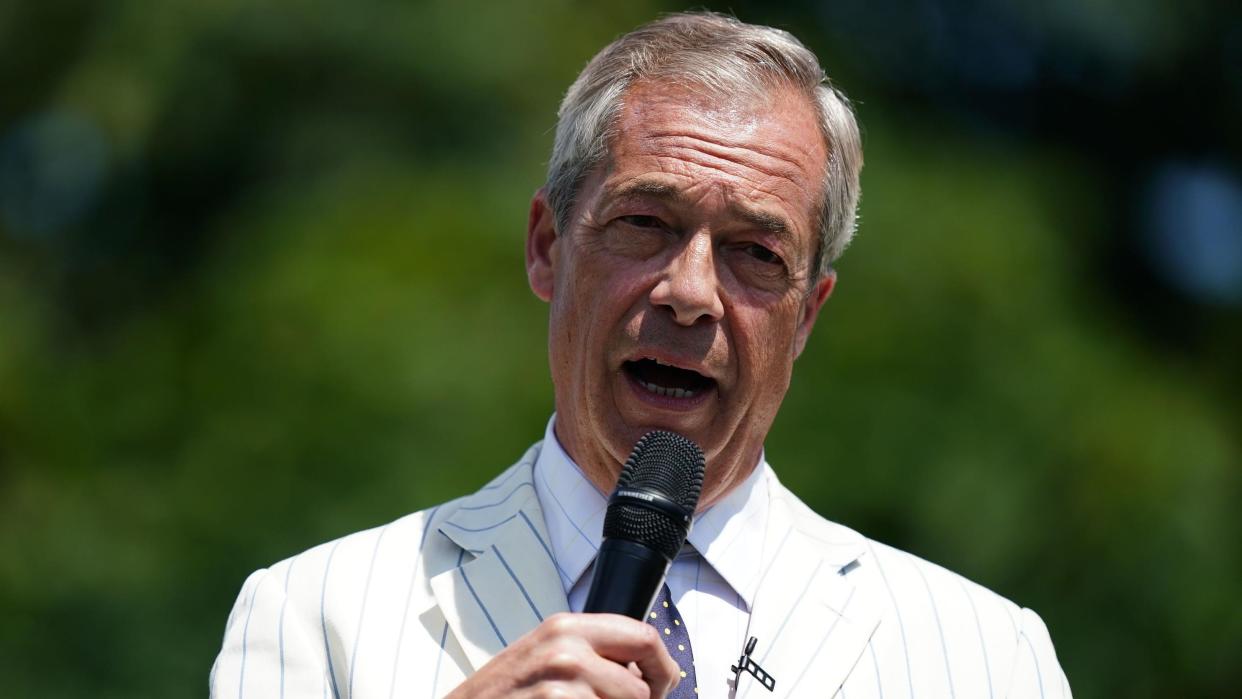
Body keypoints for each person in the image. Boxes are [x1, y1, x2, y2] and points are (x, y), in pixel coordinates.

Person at [210, 12, 1070, 699]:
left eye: (755, 254)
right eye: (645, 225)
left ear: (806, 315)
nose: (690, 292)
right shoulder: (315, 617)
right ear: (548, 246)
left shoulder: (987, 656)